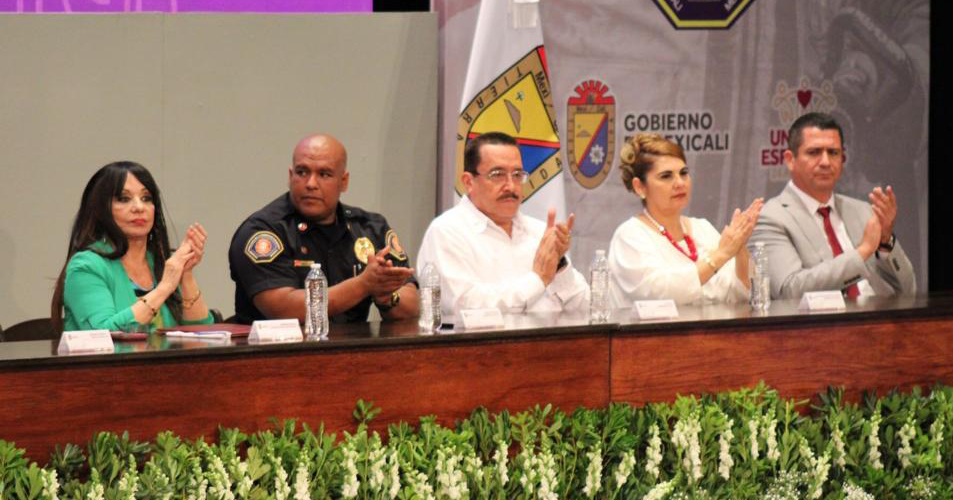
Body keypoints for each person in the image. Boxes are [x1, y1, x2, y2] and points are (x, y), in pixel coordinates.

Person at [229, 134, 418, 324]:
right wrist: (364, 285)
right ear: (290, 176)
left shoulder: (369, 228)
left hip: (352, 343)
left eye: (324, 174)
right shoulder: (264, 231)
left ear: (343, 181)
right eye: (302, 172)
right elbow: (282, 309)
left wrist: (387, 297)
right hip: (277, 343)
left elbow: (413, 305)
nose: (311, 184)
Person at [417, 131, 588, 314]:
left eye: (517, 175)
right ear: (468, 182)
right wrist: (538, 279)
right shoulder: (447, 232)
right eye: (497, 174)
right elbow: (465, 306)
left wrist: (559, 265)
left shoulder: (539, 231)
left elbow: (586, 307)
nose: (511, 186)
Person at [750, 112, 916, 299]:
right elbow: (790, 292)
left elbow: (908, 290)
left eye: (833, 153)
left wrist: (885, 243)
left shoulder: (864, 211)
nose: (826, 162)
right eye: (814, 152)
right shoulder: (770, 218)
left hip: (880, 315)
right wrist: (863, 251)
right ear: (790, 160)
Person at [52, 161, 213, 333]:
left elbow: (203, 334)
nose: (139, 207)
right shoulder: (87, 266)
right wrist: (165, 287)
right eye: (124, 199)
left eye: (146, 198)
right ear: (101, 209)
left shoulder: (162, 262)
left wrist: (186, 274)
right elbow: (103, 333)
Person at [608, 135, 762, 308]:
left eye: (683, 173)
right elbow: (658, 293)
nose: (680, 183)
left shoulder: (702, 228)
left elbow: (739, 294)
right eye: (666, 176)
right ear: (640, 187)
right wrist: (721, 254)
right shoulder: (629, 236)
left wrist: (739, 246)